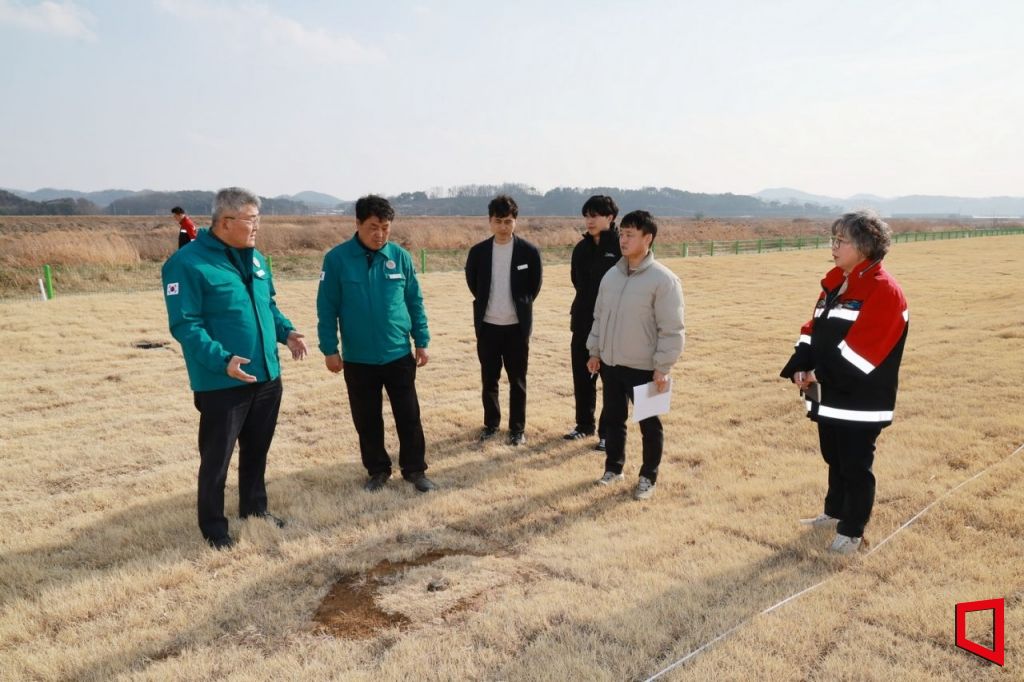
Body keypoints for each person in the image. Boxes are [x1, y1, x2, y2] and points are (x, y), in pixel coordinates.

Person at [162, 187, 308, 549]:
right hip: (222, 381)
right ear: (226, 222)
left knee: (257, 450)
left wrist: (286, 332)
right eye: (251, 220)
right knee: (217, 459)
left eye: (258, 219)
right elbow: (185, 324)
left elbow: (267, 305)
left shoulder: (256, 258)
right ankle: (214, 528)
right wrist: (222, 359)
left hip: (266, 375)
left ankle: (255, 509)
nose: (257, 227)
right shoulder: (187, 263)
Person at [780, 210, 908, 554]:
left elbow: (862, 352)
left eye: (841, 240)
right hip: (828, 393)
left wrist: (816, 375)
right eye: (833, 239)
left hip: (860, 400)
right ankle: (834, 512)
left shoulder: (884, 290)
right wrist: (800, 364)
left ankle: (852, 530)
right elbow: (813, 329)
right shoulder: (836, 282)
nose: (833, 246)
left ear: (864, 246)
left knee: (855, 465)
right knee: (833, 457)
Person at [317, 195, 436, 493]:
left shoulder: (400, 257)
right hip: (359, 358)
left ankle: (415, 470)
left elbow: (415, 301)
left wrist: (421, 340)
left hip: (398, 353)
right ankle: (378, 470)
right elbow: (327, 307)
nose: (380, 234)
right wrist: (329, 349)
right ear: (357, 223)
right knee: (367, 419)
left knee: (409, 416)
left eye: (385, 227)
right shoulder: (337, 260)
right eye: (373, 227)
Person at [586, 210, 684, 500]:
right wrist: (595, 351)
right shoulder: (611, 276)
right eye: (622, 234)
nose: (623, 240)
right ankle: (613, 468)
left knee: (649, 425)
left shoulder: (664, 280)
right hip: (612, 364)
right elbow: (599, 318)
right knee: (613, 421)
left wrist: (662, 367)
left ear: (648, 238)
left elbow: (672, 329)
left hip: (645, 368)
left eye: (631, 235)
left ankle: (648, 477)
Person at [465, 194, 543, 446]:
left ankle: (517, 429)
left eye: (508, 221)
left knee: (517, 381)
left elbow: (534, 287)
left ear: (515, 221)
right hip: (488, 326)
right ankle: (491, 424)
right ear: (490, 221)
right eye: (498, 221)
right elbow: (473, 284)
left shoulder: (529, 252)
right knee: (489, 380)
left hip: (516, 328)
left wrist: (519, 307)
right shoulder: (478, 252)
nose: (503, 226)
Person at [565, 194, 621, 451]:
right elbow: (576, 281)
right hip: (582, 321)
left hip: (612, 325)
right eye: (586, 216)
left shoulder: (621, 247)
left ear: (610, 217)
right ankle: (583, 425)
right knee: (582, 377)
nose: (589, 220)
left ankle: (607, 433)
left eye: (595, 215)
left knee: (611, 381)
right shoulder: (580, 248)